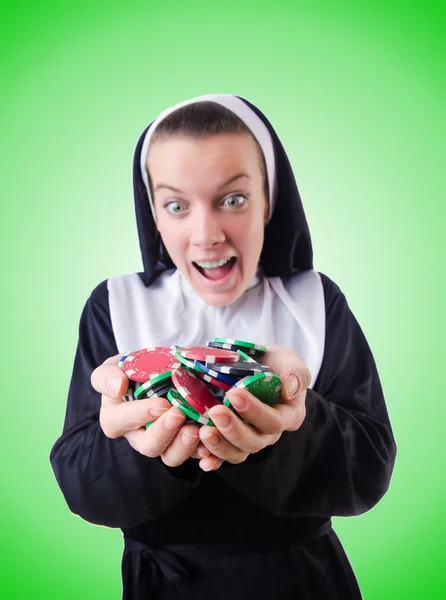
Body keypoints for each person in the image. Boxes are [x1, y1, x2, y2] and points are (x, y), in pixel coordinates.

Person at [49, 94, 397, 600]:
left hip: (302, 581)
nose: (206, 234)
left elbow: (368, 468)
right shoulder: (115, 304)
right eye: (176, 205)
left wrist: (288, 421)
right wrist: (139, 446)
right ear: (154, 217)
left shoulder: (316, 300)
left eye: (233, 199)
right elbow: (80, 483)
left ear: (269, 200)